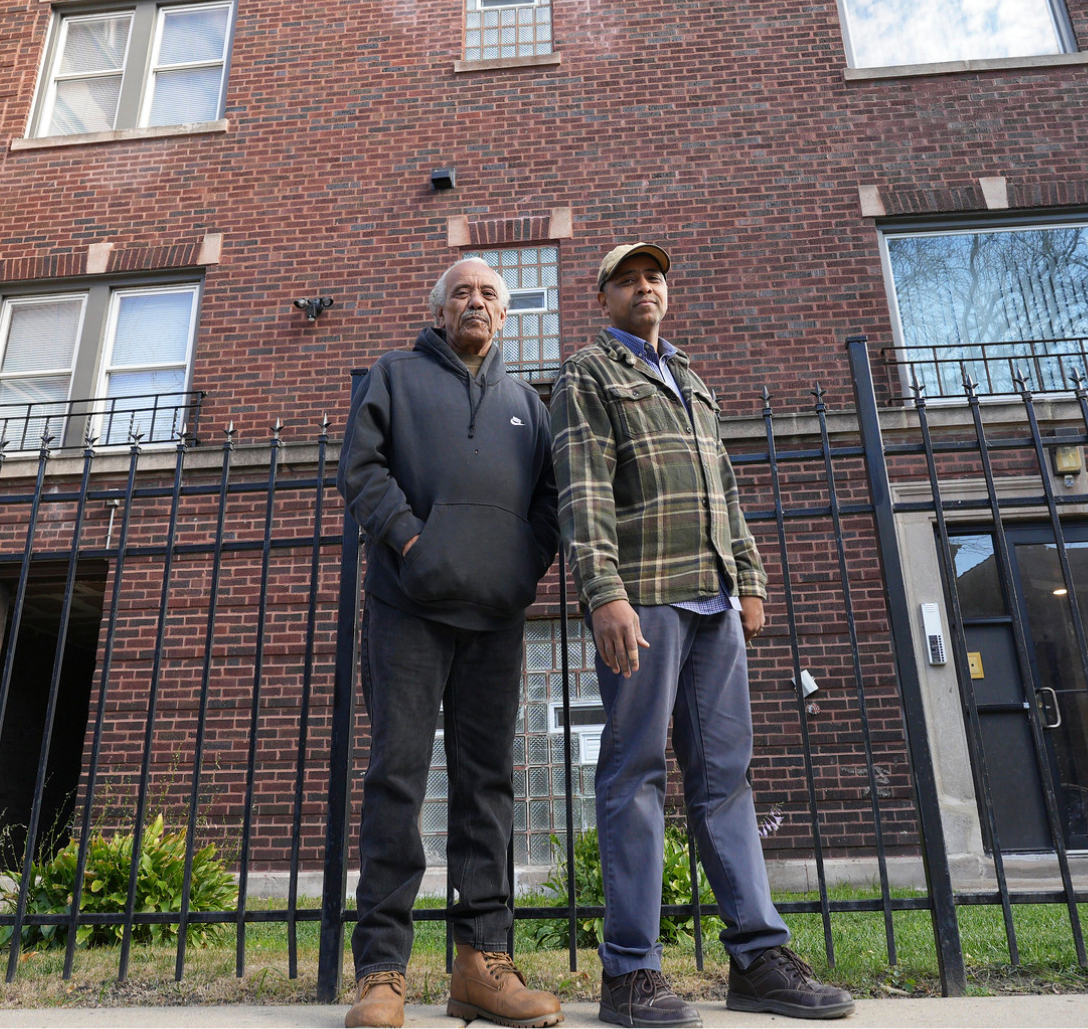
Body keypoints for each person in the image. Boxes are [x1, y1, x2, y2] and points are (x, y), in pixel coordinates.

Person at [550, 243, 855, 1027]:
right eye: (628, 280)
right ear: (604, 297)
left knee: (726, 779)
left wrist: (747, 577)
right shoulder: (589, 374)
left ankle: (756, 957)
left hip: (715, 604)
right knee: (634, 775)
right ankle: (631, 973)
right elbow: (581, 492)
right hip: (643, 599)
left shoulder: (691, 379)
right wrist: (603, 594)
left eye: (654, 278)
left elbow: (727, 489)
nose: (645, 287)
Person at [337, 257, 564, 1029]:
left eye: (490, 294)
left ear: (506, 316)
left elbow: (548, 503)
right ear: (438, 311)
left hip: (494, 620)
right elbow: (362, 471)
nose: (476, 302)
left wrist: (520, 570)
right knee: (397, 779)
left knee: (487, 786)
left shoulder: (527, 405)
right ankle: (382, 973)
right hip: (407, 607)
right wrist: (409, 544)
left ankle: (482, 964)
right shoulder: (395, 376)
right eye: (462, 292)